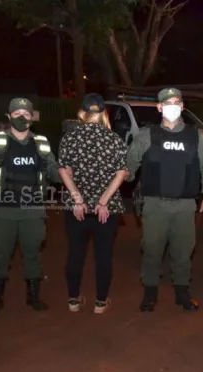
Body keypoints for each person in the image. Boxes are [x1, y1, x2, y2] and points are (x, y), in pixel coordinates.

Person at [126, 88, 203, 312]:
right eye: (167, 103)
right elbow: (128, 167)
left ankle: (182, 294)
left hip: (185, 205)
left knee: (183, 251)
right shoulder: (147, 135)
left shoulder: (196, 136)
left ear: (183, 107)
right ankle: (149, 294)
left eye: (177, 102)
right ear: (159, 107)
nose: (172, 106)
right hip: (155, 204)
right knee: (152, 250)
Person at [0, 98, 61, 315]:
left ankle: (33, 298)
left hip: (33, 209)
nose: (22, 117)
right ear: (9, 115)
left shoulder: (41, 143)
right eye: (17, 112)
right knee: (1, 254)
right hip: (2, 209)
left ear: (33, 117)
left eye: (27, 113)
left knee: (33, 253)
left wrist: (67, 172)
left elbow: (53, 171)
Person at [58, 93, 128, 314]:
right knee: (104, 256)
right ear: (104, 114)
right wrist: (103, 201)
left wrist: (77, 198)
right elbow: (122, 173)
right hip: (105, 211)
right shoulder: (114, 139)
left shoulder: (70, 137)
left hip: (77, 209)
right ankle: (100, 302)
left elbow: (63, 170)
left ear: (82, 113)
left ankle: (73, 301)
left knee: (75, 253)